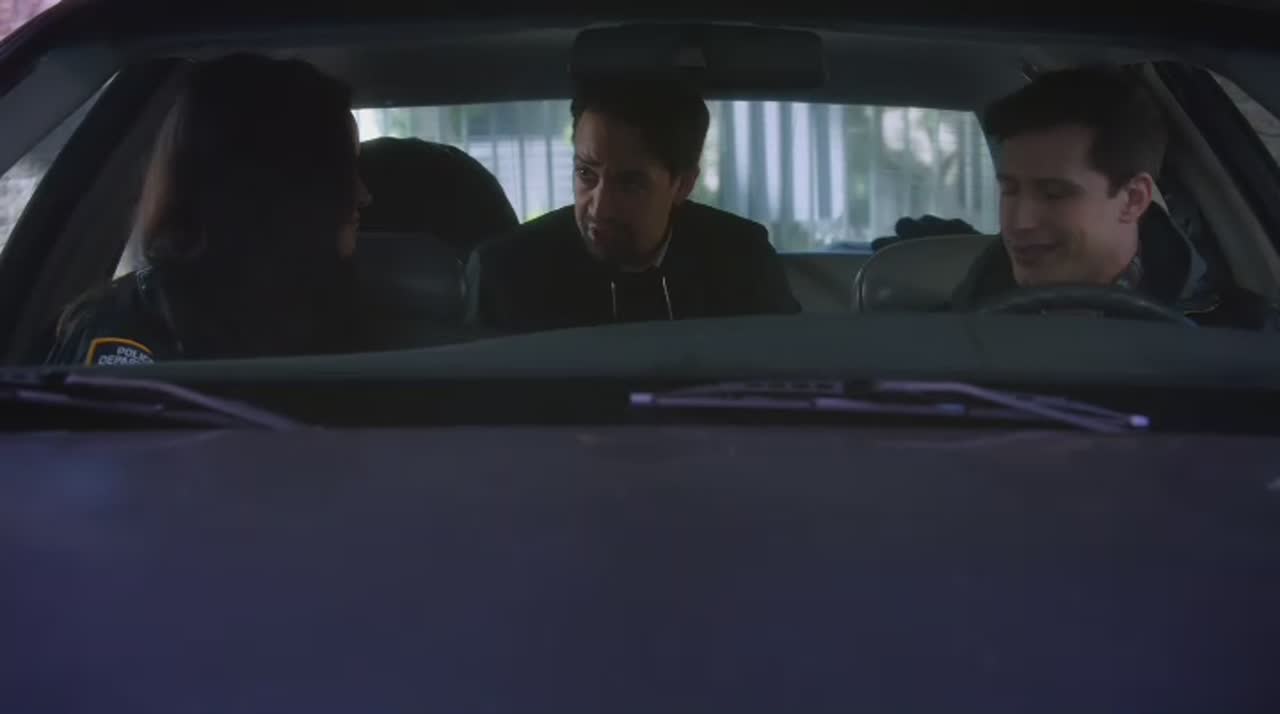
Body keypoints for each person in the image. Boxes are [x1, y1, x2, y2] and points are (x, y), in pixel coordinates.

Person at [47, 53, 371, 365]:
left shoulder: (345, 310)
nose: (364, 195)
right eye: (342, 170)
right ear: (276, 185)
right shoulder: (129, 330)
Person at [948, 64, 1278, 328]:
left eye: (1053, 194)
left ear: (1133, 198)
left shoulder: (1236, 335)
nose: (1019, 222)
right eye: (1009, 190)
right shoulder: (960, 324)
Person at [464, 78, 800, 331]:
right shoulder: (509, 273)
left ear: (682, 185)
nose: (599, 208)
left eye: (630, 183)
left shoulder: (742, 262)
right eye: (586, 173)